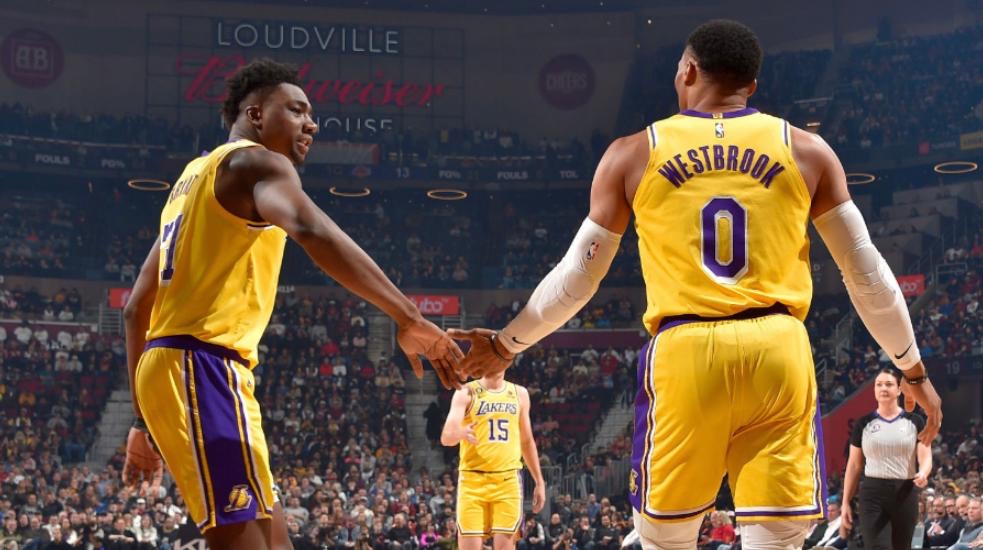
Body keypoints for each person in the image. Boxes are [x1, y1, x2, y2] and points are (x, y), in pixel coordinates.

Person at [449, 18, 942, 550]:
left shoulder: (633, 152)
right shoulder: (807, 150)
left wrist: (507, 344)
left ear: (687, 70)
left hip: (685, 352)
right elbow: (867, 274)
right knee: (778, 537)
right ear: (751, 85)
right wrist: (912, 369)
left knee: (666, 538)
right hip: (778, 349)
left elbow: (577, 277)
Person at [120, 58, 464, 550]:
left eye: (311, 114)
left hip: (191, 368)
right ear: (256, 114)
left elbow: (136, 308)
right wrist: (407, 317)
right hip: (202, 367)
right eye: (297, 110)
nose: (312, 124)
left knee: (276, 540)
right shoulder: (257, 163)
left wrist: (141, 421)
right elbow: (310, 228)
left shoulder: (192, 179)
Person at [440, 372, 545, 549]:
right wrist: (460, 432)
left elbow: (527, 442)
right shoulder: (465, 391)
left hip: (507, 481)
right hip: (472, 481)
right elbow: (446, 437)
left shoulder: (519, 393)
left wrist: (539, 481)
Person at [840, 370, 932, 550]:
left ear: (899, 390)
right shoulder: (863, 424)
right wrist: (845, 503)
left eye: (889, 384)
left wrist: (923, 472)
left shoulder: (916, 421)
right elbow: (854, 465)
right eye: (879, 384)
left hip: (905, 491)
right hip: (872, 493)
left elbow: (925, 455)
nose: (883, 388)